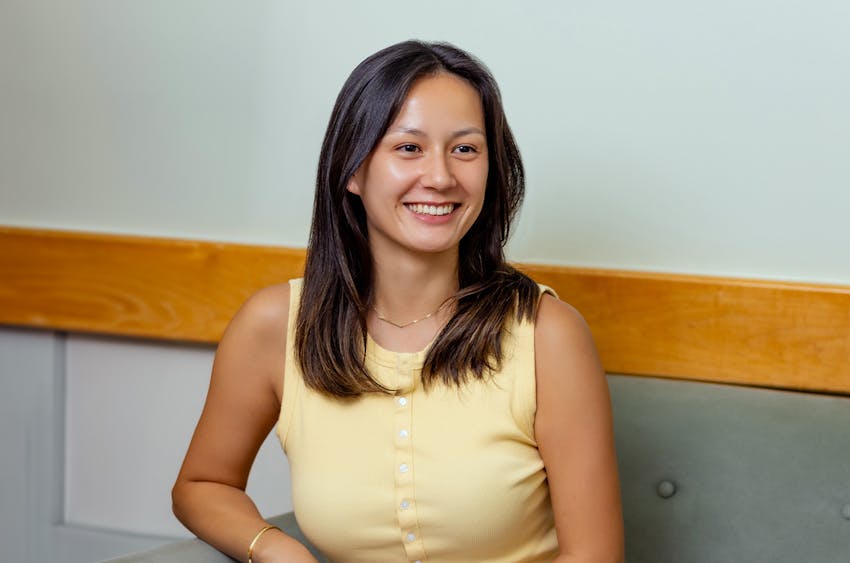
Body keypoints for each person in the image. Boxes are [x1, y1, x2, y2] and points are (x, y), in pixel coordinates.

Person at [172, 40, 623, 563]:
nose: (440, 176)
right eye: (408, 147)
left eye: (465, 149)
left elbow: (594, 556)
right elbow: (202, 484)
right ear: (353, 170)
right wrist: (274, 550)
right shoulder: (275, 325)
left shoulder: (548, 334)